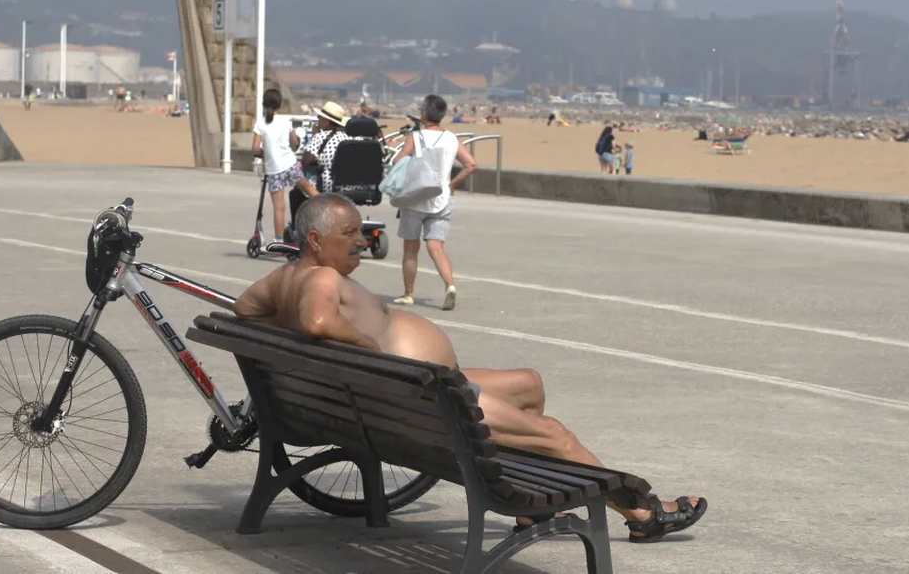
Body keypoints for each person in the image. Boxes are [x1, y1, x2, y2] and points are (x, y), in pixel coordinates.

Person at [234, 193, 708, 542]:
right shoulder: (319, 277)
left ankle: (529, 513)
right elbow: (317, 322)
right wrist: (364, 343)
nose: (362, 240)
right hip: (426, 401)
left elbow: (243, 309)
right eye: (349, 234)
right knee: (554, 434)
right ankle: (643, 512)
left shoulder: (286, 277)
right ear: (315, 240)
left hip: (396, 400)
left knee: (528, 385)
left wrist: (295, 329)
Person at [391, 94, 477, 311]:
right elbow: (470, 164)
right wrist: (451, 186)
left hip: (414, 199)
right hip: (441, 198)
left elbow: (398, 161)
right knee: (436, 247)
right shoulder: (451, 138)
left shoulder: (416, 136)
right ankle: (450, 285)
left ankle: (409, 293)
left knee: (411, 249)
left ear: (423, 114)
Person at [251, 88, 318, 244]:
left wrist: (265, 153)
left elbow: (254, 149)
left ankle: (279, 240)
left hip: (274, 170)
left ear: (263, 104)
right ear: (279, 105)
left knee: (279, 207)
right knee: (308, 189)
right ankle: (329, 207)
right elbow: (294, 143)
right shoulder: (284, 122)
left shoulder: (260, 123)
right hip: (290, 164)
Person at [302, 101, 356, 193]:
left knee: (295, 193)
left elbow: (306, 161)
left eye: (320, 117)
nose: (318, 118)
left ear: (327, 122)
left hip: (328, 185)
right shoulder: (349, 138)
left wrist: (314, 135)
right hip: (349, 185)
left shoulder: (320, 137)